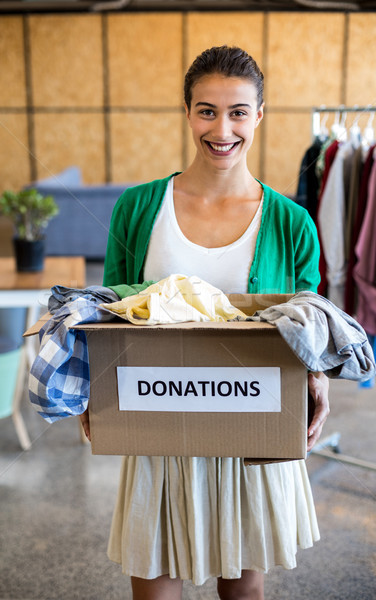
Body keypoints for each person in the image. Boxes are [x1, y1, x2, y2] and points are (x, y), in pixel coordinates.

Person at [80, 46, 330, 600]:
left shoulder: (291, 222)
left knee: (242, 590)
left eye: (238, 111)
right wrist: (95, 394)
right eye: (207, 110)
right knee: (155, 591)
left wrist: (317, 384)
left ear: (260, 115)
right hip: (157, 420)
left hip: (253, 422)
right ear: (188, 112)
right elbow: (108, 315)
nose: (222, 128)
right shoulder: (138, 207)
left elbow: (310, 325)